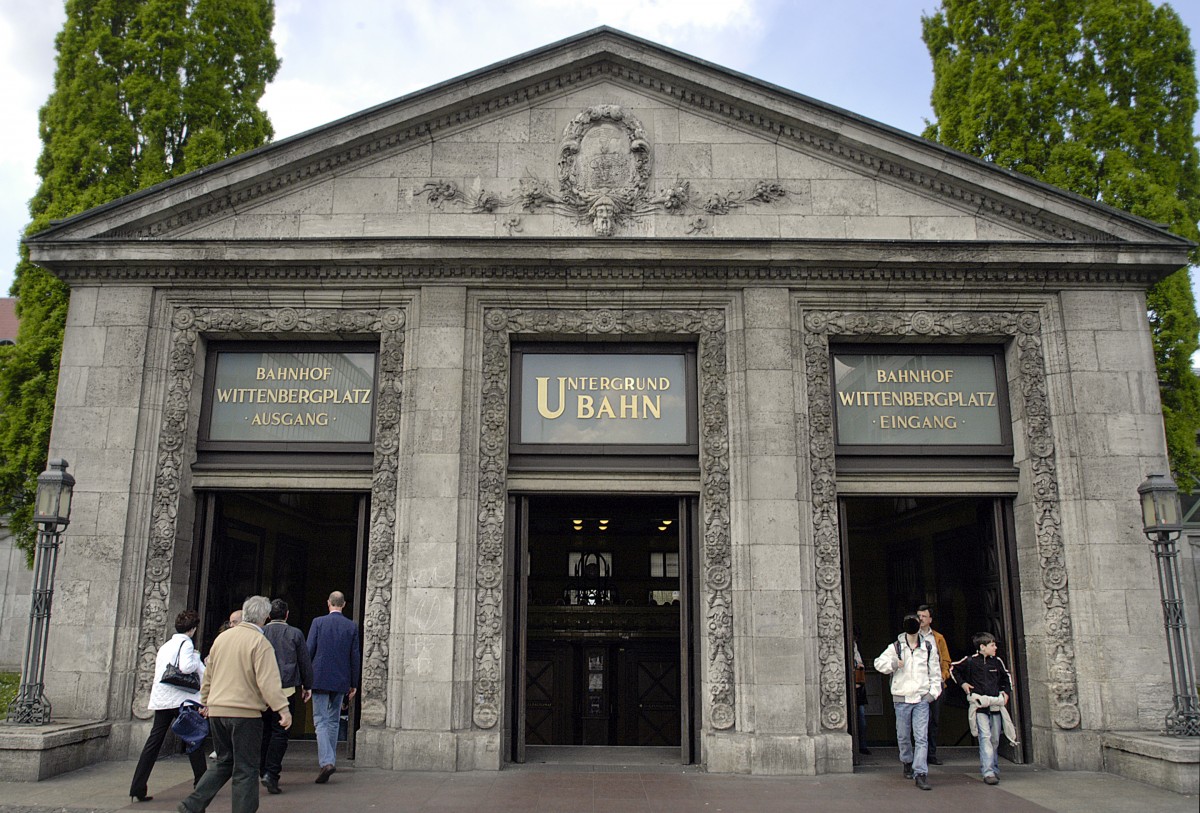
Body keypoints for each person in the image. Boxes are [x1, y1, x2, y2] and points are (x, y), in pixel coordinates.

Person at [177, 596, 291, 813]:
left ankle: (191, 805)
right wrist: (282, 709)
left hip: (218, 711)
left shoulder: (222, 639)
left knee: (223, 762)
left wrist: (206, 701)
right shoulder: (260, 642)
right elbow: (268, 680)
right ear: (265, 618)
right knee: (246, 768)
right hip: (245, 713)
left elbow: (209, 672)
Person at [128, 610, 207, 803]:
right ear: (193, 629)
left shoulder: (166, 646)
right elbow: (187, 667)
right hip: (181, 699)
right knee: (194, 739)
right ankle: (203, 783)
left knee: (153, 743)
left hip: (162, 699)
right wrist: (196, 656)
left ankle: (137, 786)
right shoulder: (186, 643)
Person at [874, 613, 941, 791]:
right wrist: (894, 664)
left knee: (921, 737)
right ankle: (907, 760)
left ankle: (920, 773)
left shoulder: (928, 646)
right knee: (903, 736)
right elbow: (878, 663)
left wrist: (932, 694)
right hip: (902, 698)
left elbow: (935, 673)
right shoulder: (896, 647)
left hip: (921, 698)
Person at [260, 598, 313, 795]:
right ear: (287, 615)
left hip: (262, 690)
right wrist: (307, 685)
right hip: (285, 689)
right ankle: (272, 773)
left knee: (264, 730)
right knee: (280, 731)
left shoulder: (261, 632)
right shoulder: (295, 633)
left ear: (268, 616)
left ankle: (263, 768)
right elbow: (304, 661)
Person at [307, 590, 361, 784]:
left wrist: (306, 681)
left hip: (319, 678)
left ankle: (327, 761)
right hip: (341, 680)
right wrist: (353, 683)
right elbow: (355, 656)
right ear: (344, 604)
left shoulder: (318, 623)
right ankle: (329, 761)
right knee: (333, 721)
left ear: (328, 603)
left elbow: (309, 651)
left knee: (320, 721)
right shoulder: (351, 626)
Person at [951, 632, 1014, 786]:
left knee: (995, 739)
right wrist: (964, 684)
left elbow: (1006, 678)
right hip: (979, 706)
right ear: (982, 647)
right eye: (992, 645)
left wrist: (1006, 692)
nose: (995, 647)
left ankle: (994, 767)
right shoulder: (971, 661)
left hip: (995, 705)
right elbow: (953, 669)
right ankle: (988, 771)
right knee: (984, 737)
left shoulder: (997, 662)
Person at [916, 604, 951, 764]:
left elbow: (945, 660)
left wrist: (943, 677)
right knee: (917, 721)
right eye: (919, 616)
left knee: (934, 720)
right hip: (917, 686)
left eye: (924, 616)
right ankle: (917, 755)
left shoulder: (938, 638)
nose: (920, 619)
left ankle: (931, 754)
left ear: (930, 619)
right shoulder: (910, 636)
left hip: (935, 685)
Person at [852, 627, 870, 755]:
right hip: (849, 686)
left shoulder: (855, 647)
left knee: (861, 719)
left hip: (858, 687)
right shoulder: (849, 646)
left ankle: (862, 745)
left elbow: (860, 664)